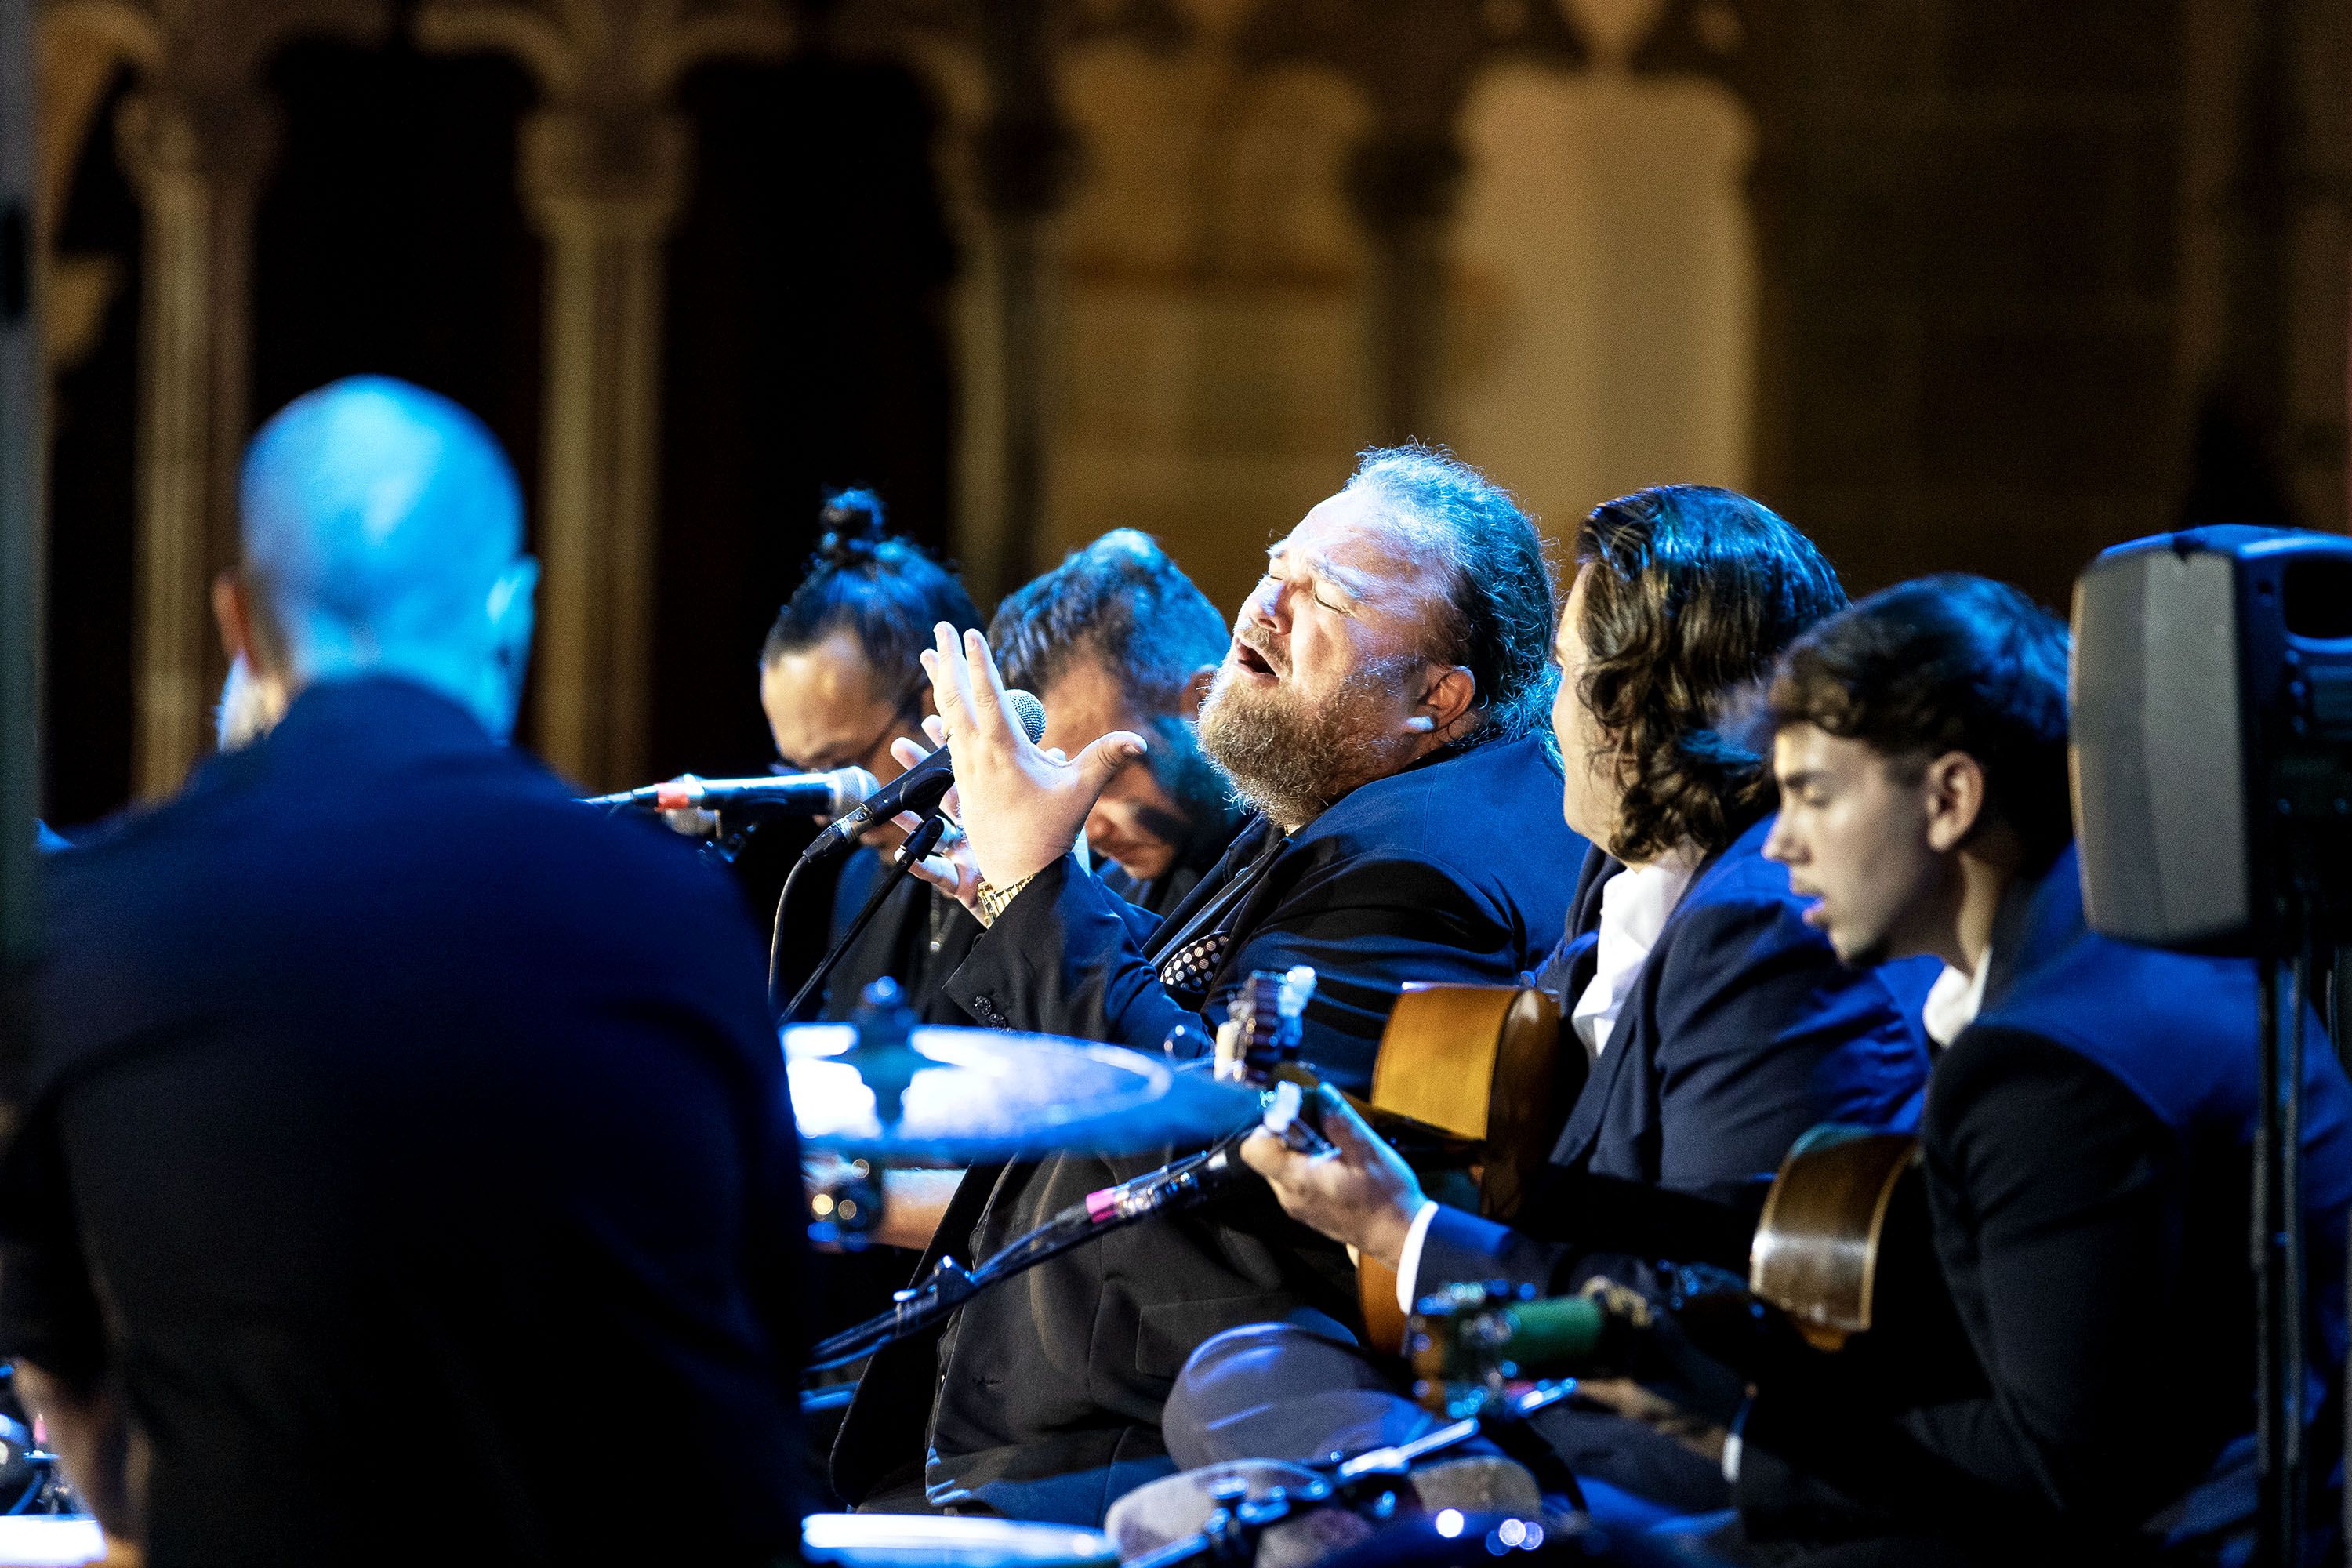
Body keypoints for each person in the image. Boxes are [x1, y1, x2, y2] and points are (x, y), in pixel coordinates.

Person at [1258, 574, 2352, 1563]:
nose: (1778, 845)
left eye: (1818, 796)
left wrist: (1728, 1428)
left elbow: (2054, 1468)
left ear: (1951, 799)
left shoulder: (2047, 1063)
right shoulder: (2116, 957)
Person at [0, 376, 808, 1563]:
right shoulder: (671, 911)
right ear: (515, 612)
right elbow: (765, 1331)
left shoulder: (82, 930)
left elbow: (58, 1356)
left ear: (238, 622)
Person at [831, 445, 1588, 1523]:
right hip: (1086, 1419)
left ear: (1438, 695)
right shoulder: (1367, 807)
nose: (1267, 601)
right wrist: (1020, 896)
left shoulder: (1418, 863)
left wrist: (1040, 888)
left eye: (1326, 594)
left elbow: (1228, 1131)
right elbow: (1223, 1005)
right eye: (1280, 562)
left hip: (1141, 1448)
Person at [1167, 486, 1937, 1526]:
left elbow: (1712, 1313)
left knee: (1253, 1429)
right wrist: (1382, 1174)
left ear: (1649, 709)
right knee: (1248, 1373)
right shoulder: (1620, 884)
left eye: (1570, 679)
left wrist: (1409, 1230)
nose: (1548, 717)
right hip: (1565, 1394)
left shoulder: (1762, 933)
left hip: (1677, 1468)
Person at [757, 489, 987, 1024]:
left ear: (936, 703)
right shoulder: (863, 877)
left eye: (840, 763)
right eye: (800, 773)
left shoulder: (1053, 872)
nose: (826, 806)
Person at [985, 529, 1245, 916]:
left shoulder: (1309, 876)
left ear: (1208, 701)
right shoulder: (1105, 895)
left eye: (1109, 777)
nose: (1089, 833)